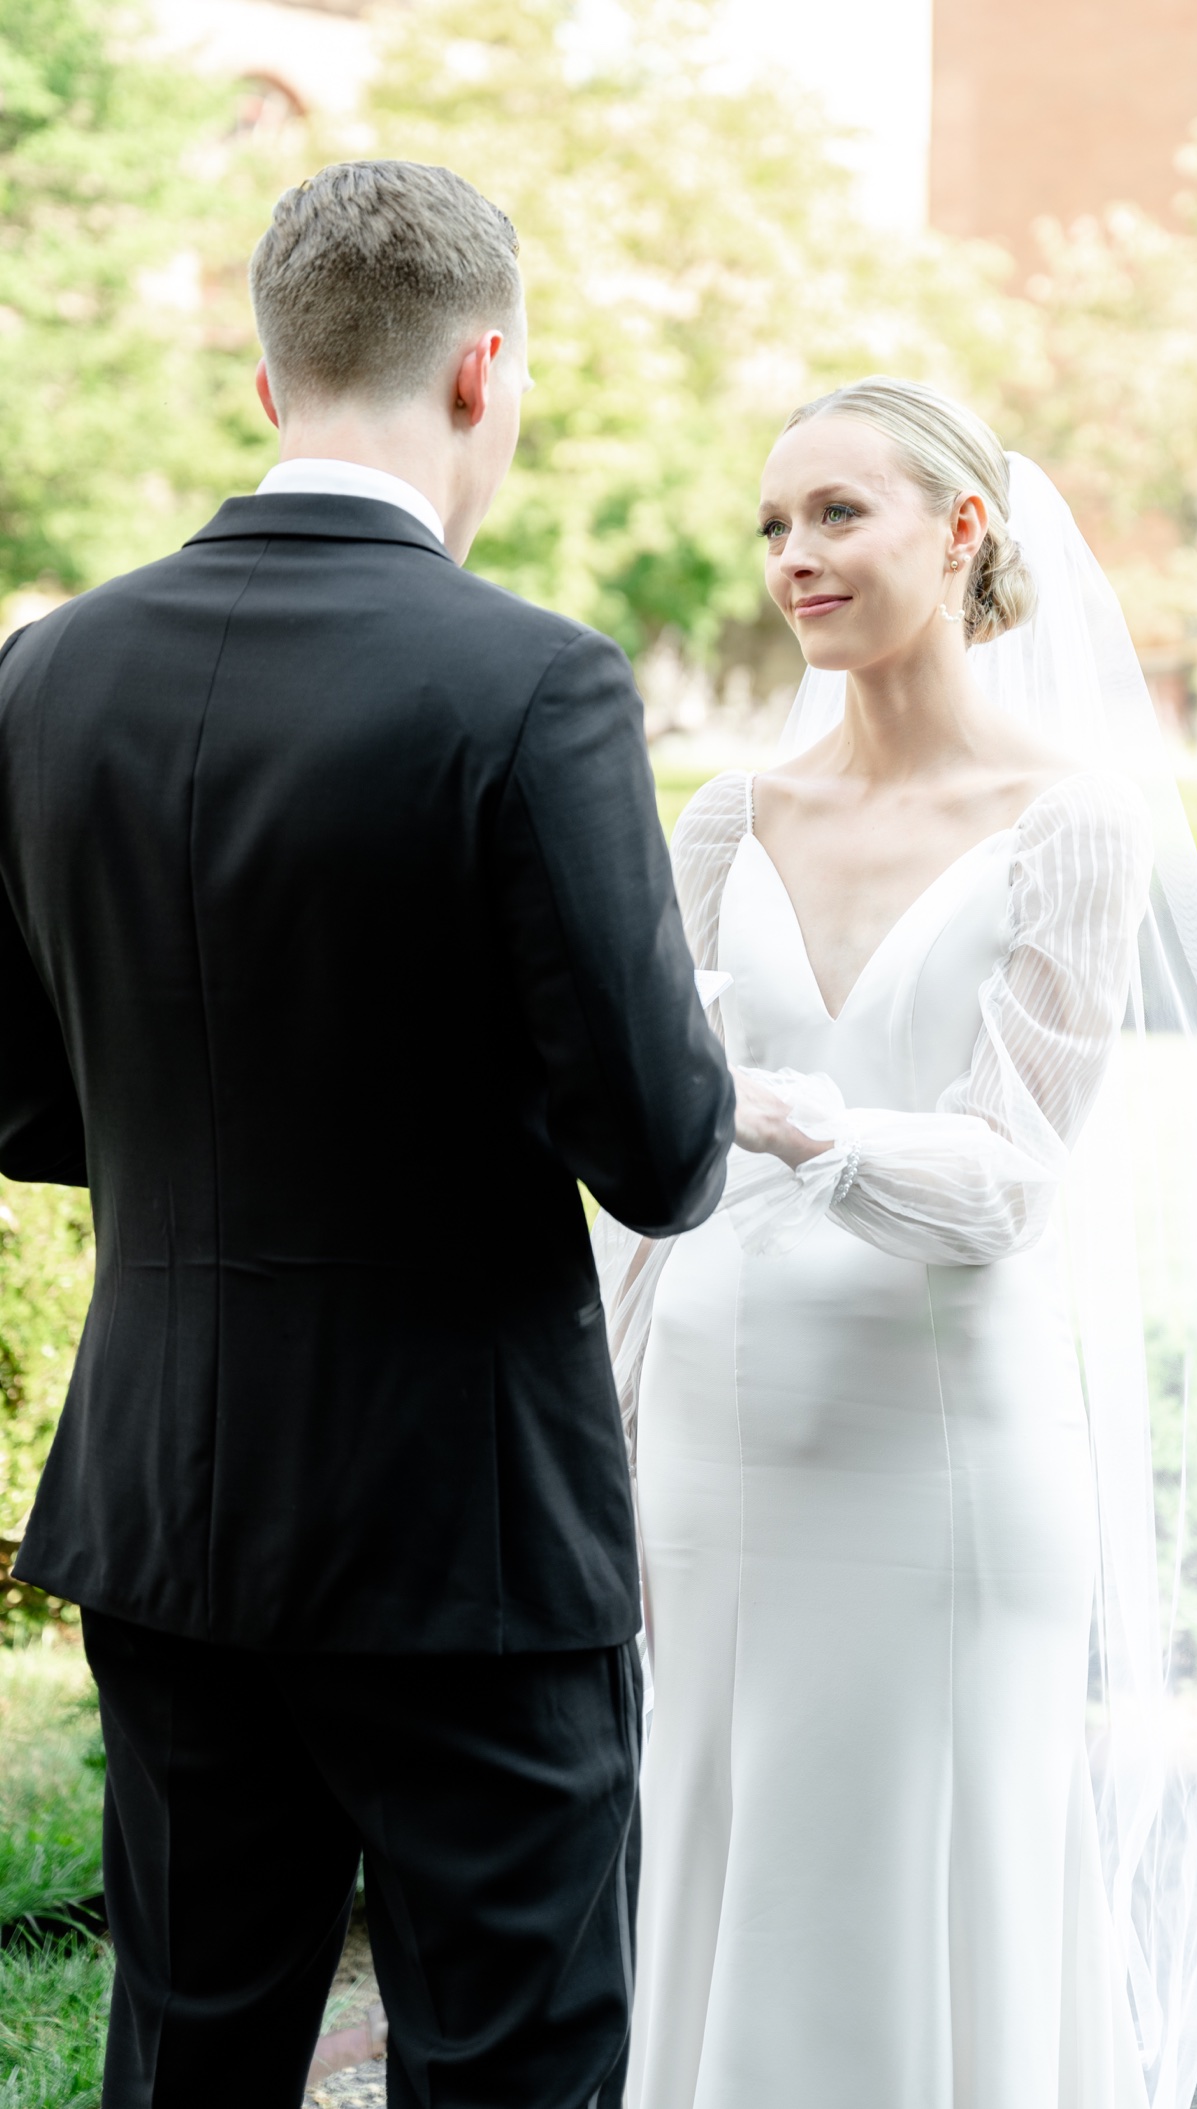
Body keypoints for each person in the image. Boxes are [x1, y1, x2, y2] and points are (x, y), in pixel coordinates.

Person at [0, 160, 735, 2109]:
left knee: (187, 2061)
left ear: (268, 383)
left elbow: (14, 1096)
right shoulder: (534, 682)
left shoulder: (46, 672)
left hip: (164, 1499)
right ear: (486, 369)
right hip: (465, 1533)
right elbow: (659, 1146)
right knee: (513, 2062)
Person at [594, 378, 1197, 2108]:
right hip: (709, 1441)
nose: (794, 557)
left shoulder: (1072, 819)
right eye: (773, 524)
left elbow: (1000, 1180)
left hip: (940, 1441)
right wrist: (590, 1420)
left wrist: (767, 1112)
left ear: (963, 527)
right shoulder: (722, 818)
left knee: (925, 1856)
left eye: (838, 512)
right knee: (709, 1835)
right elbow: (644, 1183)